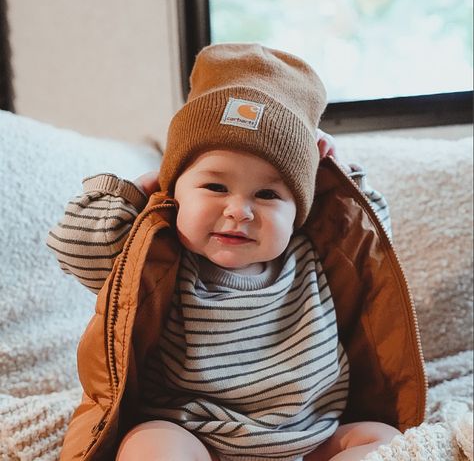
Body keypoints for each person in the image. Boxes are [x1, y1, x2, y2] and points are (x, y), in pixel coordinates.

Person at [47, 43, 426, 461]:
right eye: (214, 186)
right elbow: (77, 247)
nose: (239, 210)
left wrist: (341, 176)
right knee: (148, 444)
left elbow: (374, 237)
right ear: (174, 190)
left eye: (267, 194)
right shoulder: (158, 257)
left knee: (385, 440)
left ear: (301, 208)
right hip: (196, 437)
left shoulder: (320, 253)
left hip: (312, 441)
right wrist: (140, 188)